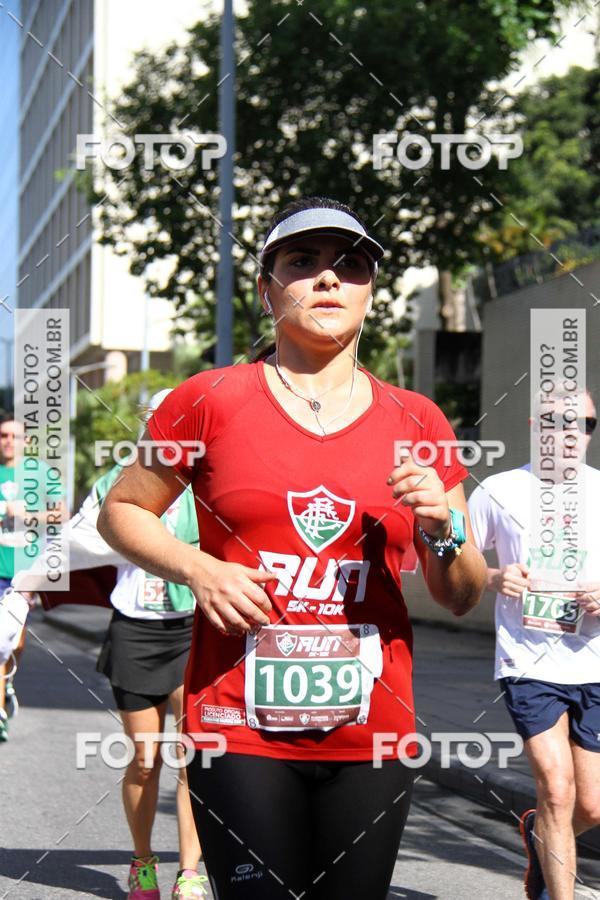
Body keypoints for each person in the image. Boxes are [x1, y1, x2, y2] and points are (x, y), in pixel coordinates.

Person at [98, 196, 487, 900]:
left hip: (372, 732)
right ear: (266, 288)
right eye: (304, 261)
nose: (330, 278)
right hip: (236, 725)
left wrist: (442, 528)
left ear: (371, 291)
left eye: (352, 264)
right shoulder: (208, 400)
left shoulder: (417, 420)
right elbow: (121, 511)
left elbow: (461, 594)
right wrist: (198, 568)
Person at [9, 391, 207, 900]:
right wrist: (24, 590)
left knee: (192, 756)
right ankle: (143, 862)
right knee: (144, 759)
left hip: (194, 628)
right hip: (136, 631)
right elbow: (74, 542)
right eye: (159, 419)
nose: (169, 428)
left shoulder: (208, 483)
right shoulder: (118, 482)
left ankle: (190, 871)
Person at [468, 391, 600, 900]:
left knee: (590, 806)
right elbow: (452, 565)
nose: (571, 433)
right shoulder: (500, 491)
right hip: (528, 661)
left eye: (584, 424)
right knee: (557, 790)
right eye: (558, 421)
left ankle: (540, 835)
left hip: (593, 663)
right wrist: (494, 577)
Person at [0, 415, 67, 740]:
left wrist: (25, 514)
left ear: (26, 441)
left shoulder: (41, 473)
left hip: (24, 574)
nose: (8, 441)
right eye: (3, 435)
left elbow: (61, 513)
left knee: (17, 641)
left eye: (15, 436)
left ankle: (8, 680)